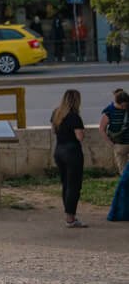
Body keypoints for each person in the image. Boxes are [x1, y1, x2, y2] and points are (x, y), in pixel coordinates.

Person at [51, 89, 86, 228]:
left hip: (59, 151)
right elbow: (80, 137)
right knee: (74, 185)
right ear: (76, 100)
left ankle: (69, 216)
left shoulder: (56, 113)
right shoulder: (74, 116)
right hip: (72, 152)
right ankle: (70, 218)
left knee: (65, 184)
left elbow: (53, 131)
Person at [99, 87, 129, 176]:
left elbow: (101, 129)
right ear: (117, 102)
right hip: (120, 145)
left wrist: (111, 144)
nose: (124, 108)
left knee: (123, 172)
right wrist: (112, 144)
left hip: (120, 144)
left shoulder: (109, 110)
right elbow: (102, 129)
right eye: (122, 106)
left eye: (126, 105)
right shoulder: (109, 111)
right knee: (123, 172)